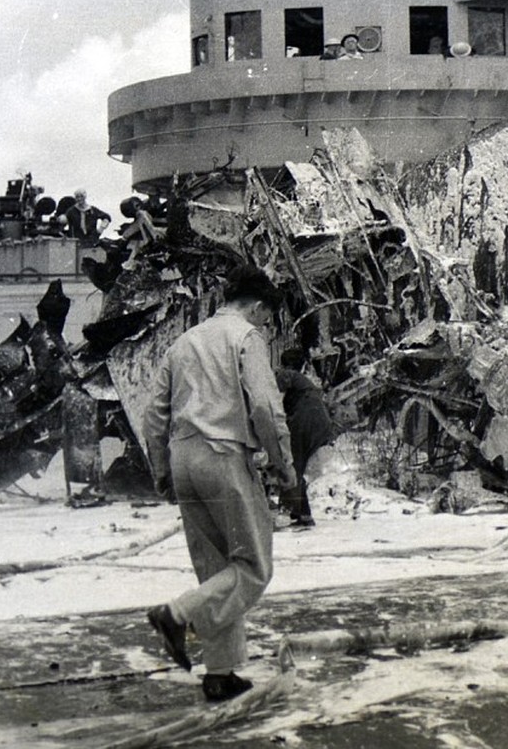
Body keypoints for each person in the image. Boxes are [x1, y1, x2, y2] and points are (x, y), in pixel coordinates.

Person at [142, 264, 295, 702]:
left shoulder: (183, 342)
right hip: (225, 454)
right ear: (259, 306)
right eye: (267, 316)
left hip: (183, 455)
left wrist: (160, 469)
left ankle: (220, 672)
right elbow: (265, 407)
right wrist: (283, 463)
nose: (266, 324)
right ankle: (176, 614)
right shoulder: (246, 338)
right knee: (252, 567)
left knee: (215, 569)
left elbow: (154, 414)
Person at [275, 348, 338, 528]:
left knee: (292, 464)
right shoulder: (305, 381)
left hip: (303, 421)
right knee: (298, 467)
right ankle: (303, 514)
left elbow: (274, 400)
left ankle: (285, 512)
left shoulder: (288, 374)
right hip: (321, 424)